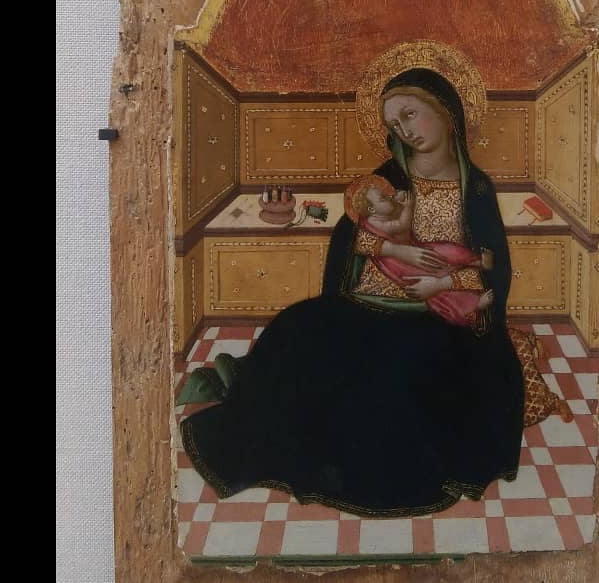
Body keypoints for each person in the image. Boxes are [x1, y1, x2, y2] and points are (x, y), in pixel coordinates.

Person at [180, 67, 524, 518]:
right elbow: (351, 242)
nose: (405, 131)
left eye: (410, 114)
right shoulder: (384, 181)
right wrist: (396, 248)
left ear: (446, 111)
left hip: (438, 315)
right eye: (395, 124)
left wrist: (442, 282)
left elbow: (493, 266)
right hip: (367, 302)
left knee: (400, 369)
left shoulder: (475, 189)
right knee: (296, 326)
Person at [344, 172, 494, 328]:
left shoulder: (474, 182)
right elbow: (396, 227)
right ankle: (472, 305)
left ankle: (477, 260)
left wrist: (398, 199)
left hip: (420, 249)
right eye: (383, 198)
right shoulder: (374, 223)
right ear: (371, 210)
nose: (388, 197)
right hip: (403, 267)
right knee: (434, 284)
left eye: (386, 195)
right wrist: (407, 209)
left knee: (448, 250)